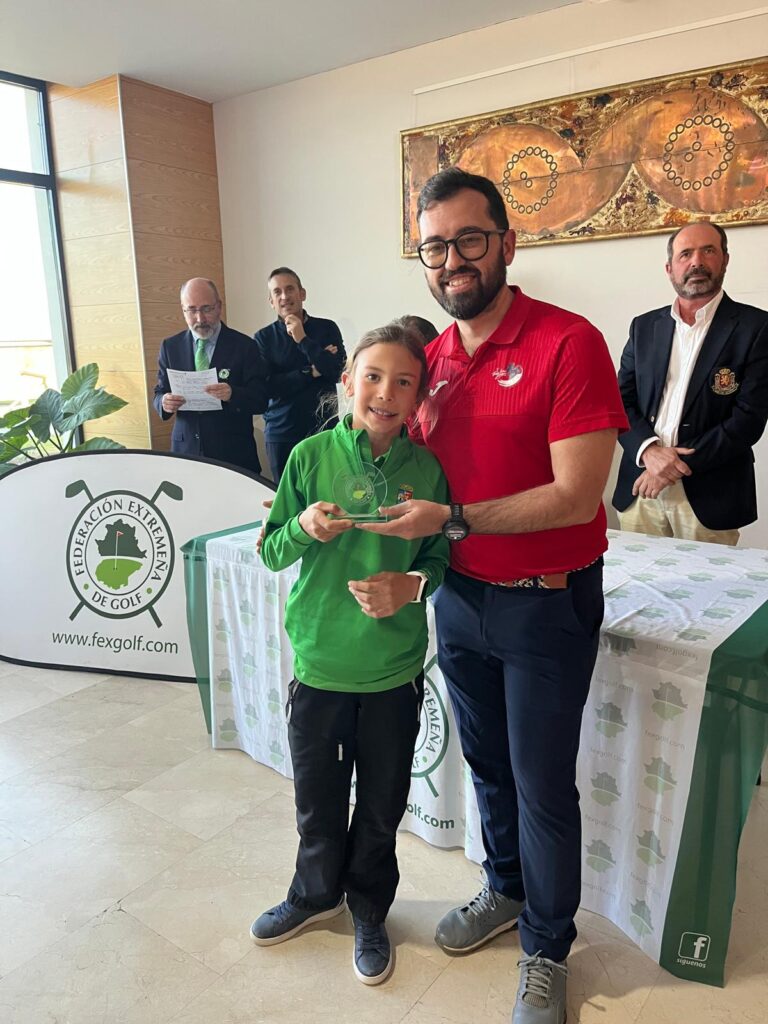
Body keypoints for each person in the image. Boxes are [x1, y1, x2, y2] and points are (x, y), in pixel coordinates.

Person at [360, 168, 627, 1024]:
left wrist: (455, 519)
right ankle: (506, 889)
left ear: (507, 243)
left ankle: (546, 949)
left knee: (542, 784)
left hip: (546, 602)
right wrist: (307, 493)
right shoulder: (430, 361)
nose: (452, 261)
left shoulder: (568, 342)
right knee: (487, 767)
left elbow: (577, 495)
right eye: (434, 247)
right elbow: (384, 451)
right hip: (460, 599)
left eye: (469, 240)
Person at [251, 324, 450, 986]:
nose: (386, 393)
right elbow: (270, 549)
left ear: (419, 396)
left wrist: (409, 586)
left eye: (404, 382)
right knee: (318, 799)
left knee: (382, 805)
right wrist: (303, 527)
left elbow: (439, 558)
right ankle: (314, 896)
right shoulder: (309, 457)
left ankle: (368, 908)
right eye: (373, 376)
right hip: (321, 664)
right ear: (347, 382)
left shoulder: (426, 471)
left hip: (392, 672)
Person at [612, 221, 768, 544]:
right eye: (685, 254)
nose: (696, 261)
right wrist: (649, 451)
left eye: (708, 251)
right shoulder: (643, 327)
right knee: (637, 577)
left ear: (725, 260)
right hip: (641, 489)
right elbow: (618, 401)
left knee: (709, 579)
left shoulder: (756, 328)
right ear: (669, 268)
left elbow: (747, 420)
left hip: (711, 494)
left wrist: (671, 465)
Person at [153, 278, 267, 473]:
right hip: (186, 453)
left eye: (206, 309)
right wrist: (164, 402)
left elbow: (261, 400)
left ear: (219, 306)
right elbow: (159, 392)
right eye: (192, 310)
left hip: (233, 455)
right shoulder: (170, 347)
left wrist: (232, 394)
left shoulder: (244, 346)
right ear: (183, 310)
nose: (200, 319)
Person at [254, 267, 346, 483]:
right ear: (271, 301)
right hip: (282, 433)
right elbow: (269, 387)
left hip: (323, 428)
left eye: (290, 289)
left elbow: (336, 372)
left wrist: (303, 339)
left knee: (326, 494)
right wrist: (312, 371)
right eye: (277, 292)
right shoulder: (263, 338)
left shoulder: (327, 328)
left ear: (302, 293)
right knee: (287, 498)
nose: (284, 297)